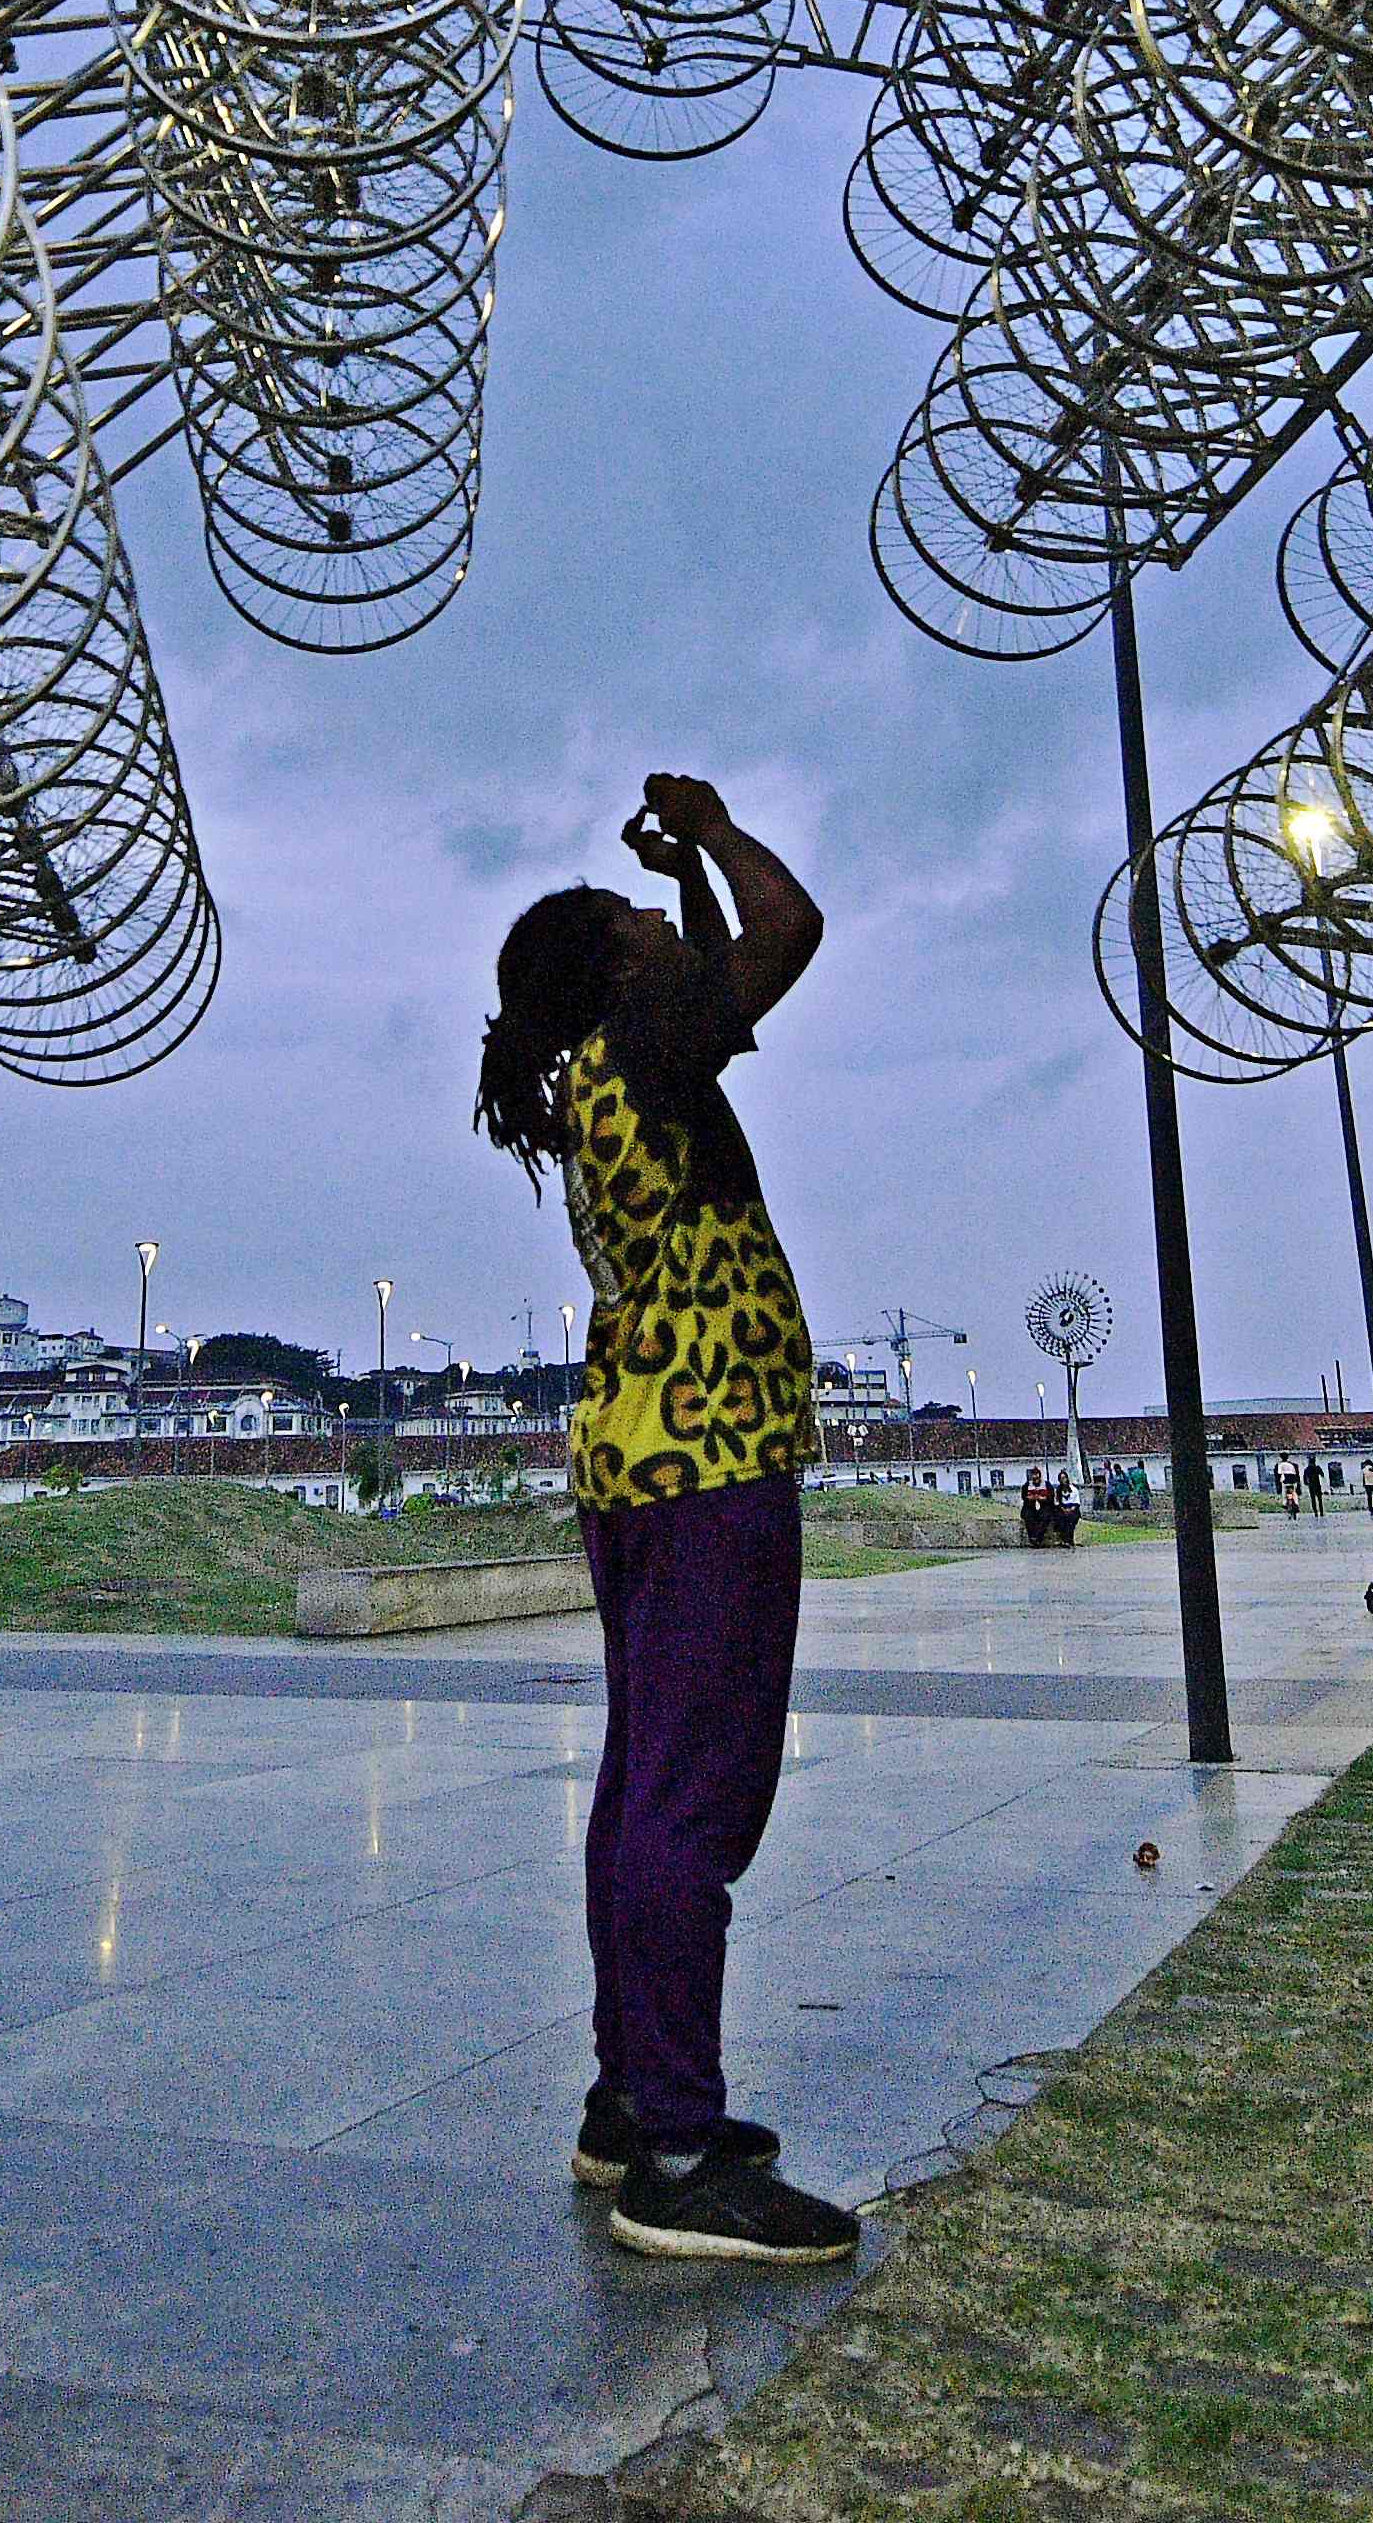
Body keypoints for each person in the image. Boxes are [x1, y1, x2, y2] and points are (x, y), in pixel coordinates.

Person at [475, 773, 858, 2268]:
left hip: (639, 1457)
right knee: (693, 1796)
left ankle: (631, 2101)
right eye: (637, 914)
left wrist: (676, 886)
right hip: (709, 1456)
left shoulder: (607, 1070)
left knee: (645, 1783)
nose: (657, 915)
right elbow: (792, 927)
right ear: (620, 966)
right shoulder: (644, 1040)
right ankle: (681, 2156)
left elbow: (720, 993)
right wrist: (707, 830)